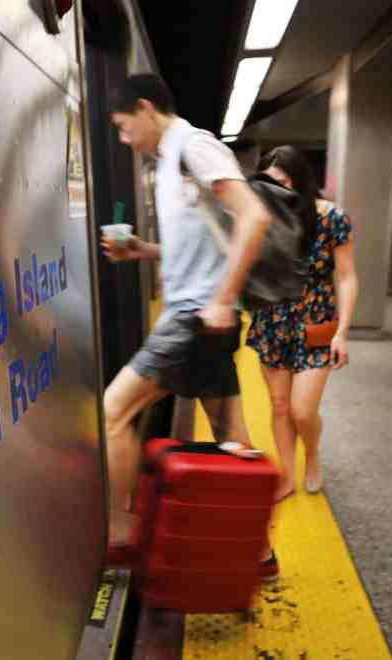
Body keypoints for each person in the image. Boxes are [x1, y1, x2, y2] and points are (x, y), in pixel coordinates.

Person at [101, 73, 278, 576]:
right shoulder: (170, 161)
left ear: (144, 108)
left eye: (122, 126)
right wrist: (144, 251)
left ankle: (122, 538)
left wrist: (223, 300)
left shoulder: (194, 146)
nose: (123, 139)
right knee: (230, 435)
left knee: (113, 412)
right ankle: (260, 553)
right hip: (203, 317)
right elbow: (206, 238)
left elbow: (254, 217)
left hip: (195, 317)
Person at [245, 146, 359, 501]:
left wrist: (343, 332)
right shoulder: (263, 218)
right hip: (272, 322)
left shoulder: (332, 218)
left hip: (315, 325)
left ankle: (312, 455)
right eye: (272, 183)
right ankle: (287, 474)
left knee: (302, 410)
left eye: (284, 181)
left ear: (299, 179)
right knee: (279, 406)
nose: (279, 189)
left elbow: (346, 277)